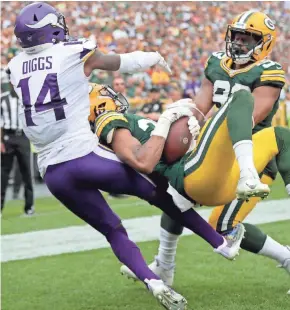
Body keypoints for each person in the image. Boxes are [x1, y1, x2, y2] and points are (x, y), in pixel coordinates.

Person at [7, 3, 191, 308]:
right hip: (79, 149)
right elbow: (121, 63)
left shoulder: (13, 67)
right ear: (51, 29)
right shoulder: (71, 52)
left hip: (51, 167)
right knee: (155, 184)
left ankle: (153, 280)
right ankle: (212, 237)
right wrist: (154, 57)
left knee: (112, 228)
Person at [90, 86, 290, 287]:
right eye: (105, 96)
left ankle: (165, 266)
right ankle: (248, 174)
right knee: (241, 96)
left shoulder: (121, 129)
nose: (114, 98)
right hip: (193, 177)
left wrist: (189, 137)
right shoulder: (112, 128)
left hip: (199, 179)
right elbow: (145, 161)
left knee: (278, 136)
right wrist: (167, 124)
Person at [146, 10, 290, 287]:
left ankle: (285, 258)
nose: (238, 43)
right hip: (218, 147)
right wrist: (178, 118)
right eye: (236, 36)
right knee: (177, 192)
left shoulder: (268, 71)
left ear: (265, 43)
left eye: (247, 39)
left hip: (255, 153)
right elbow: (201, 109)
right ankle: (164, 264)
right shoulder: (216, 64)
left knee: (221, 225)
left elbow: (251, 118)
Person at [1, 81, 34, 216]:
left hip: (24, 138)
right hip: (8, 137)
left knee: (27, 173)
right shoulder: (3, 99)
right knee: (3, 174)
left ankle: (29, 207)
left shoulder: (28, 99)